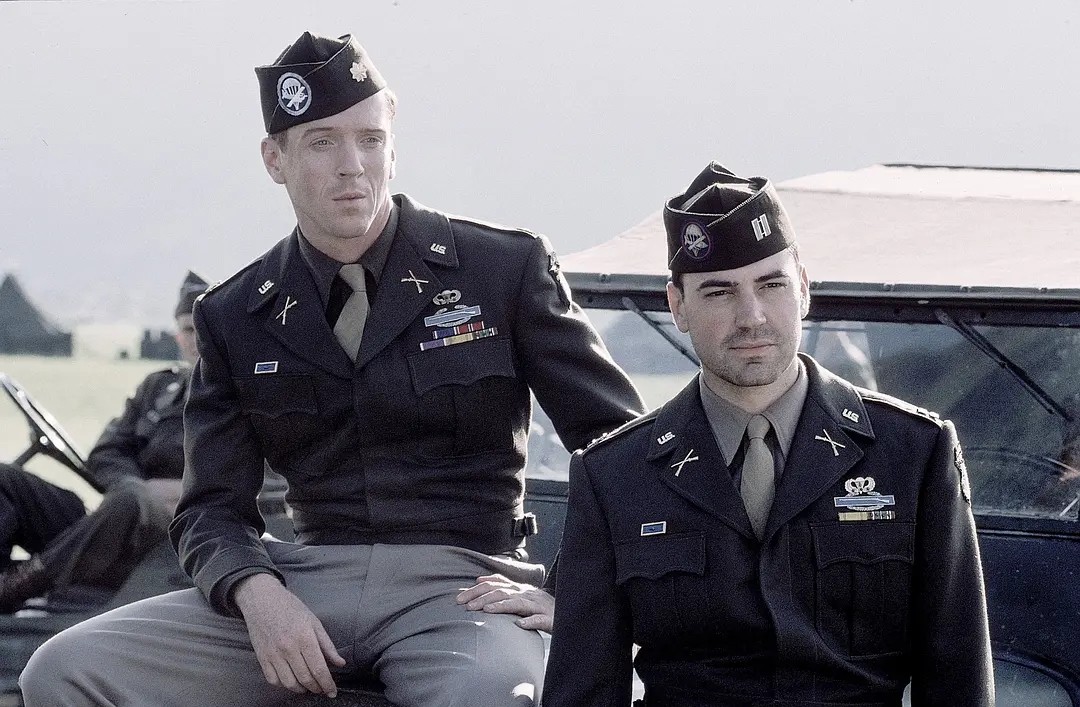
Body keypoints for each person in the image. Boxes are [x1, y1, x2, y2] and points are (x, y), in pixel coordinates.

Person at [21, 32, 644, 707]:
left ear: (393, 146)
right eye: (322, 142)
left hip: (463, 586)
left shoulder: (500, 270)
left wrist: (569, 589)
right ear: (275, 159)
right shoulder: (236, 313)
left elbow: (625, 450)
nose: (353, 166)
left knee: (491, 696)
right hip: (300, 582)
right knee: (62, 669)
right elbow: (210, 509)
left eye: (370, 139)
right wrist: (256, 593)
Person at [543, 163, 995, 706]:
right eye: (719, 293)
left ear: (803, 288)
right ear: (677, 306)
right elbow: (585, 688)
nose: (751, 316)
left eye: (771, 285)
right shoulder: (615, 474)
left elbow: (958, 675)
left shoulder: (912, 454)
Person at [0, 271, 206, 612]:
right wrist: (132, 485)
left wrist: (178, 491)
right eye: (188, 330)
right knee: (7, 479)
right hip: (119, 520)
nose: (197, 339)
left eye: (204, 328)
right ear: (177, 336)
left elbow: (260, 483)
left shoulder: (243, 397)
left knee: (130, 500)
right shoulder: (158, 388)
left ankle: (22, 583)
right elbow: (108, 451)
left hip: (180, 534)